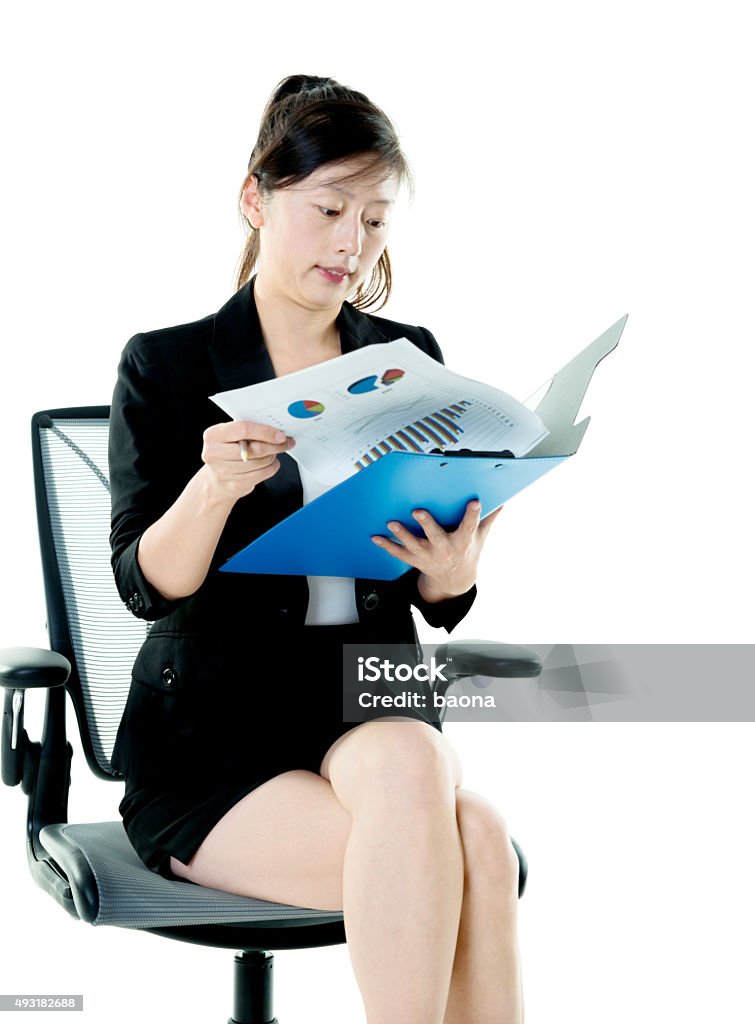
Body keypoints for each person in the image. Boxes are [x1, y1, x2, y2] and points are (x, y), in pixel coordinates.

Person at [109, 74, 524, 1024]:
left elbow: (427, 584)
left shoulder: (404, 354)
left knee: (446, 800)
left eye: (375, 219)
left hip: (364, 699)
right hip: (216, 741)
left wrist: (451, 579)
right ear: (257, 200)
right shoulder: (167, 365)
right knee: (472, 846)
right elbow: (148, 584)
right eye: (329, 208)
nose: (352, 241)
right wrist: (212, 488)